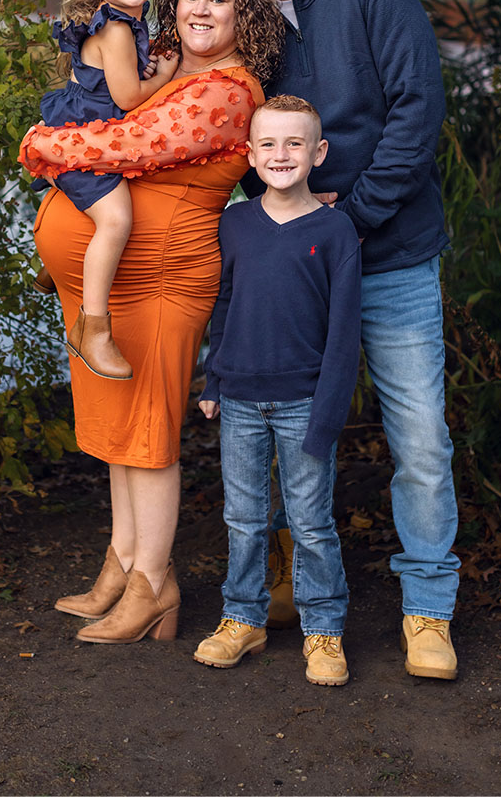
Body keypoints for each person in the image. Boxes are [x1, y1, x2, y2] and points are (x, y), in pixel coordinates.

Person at [220, 0, 460, 682]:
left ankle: (428, 611)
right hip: (294, 272)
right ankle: (285, 584)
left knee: (419, 438)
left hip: (388, 254)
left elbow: (415, 114)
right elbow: (234, 142)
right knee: (289, 426)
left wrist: (342, 225)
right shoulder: (244, 29)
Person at [19, 0, 285, 645]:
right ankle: (122, 561)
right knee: (117, 432)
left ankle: (154, 582)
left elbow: (130, 145)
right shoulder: (159, 58)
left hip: (163, 279)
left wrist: (41, 144)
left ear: (244, 12)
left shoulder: (230, 92)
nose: (201, 10)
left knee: (149, 435)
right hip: (109, 287)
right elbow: (105, 102)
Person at [194, 96, 362, 686]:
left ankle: (324, 628)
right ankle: (243, 618)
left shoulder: (336, 230)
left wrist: (327, 416)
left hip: (303, 403)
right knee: (243, 518)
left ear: (318, 153)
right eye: (267, 144)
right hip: (239, 398)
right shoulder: (234, 223)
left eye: (295, 144)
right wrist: (213, 379)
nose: (280, 154)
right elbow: (225, 305)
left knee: (311, 522)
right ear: (249, 154)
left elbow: (344, 334)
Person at [30, 0, 179, 381]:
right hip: (86, 140)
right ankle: (92, 329)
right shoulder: (115, 26)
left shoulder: (124, 18)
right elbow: (129, 96)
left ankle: (56, 268)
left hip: (94, 131)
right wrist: (167, 77)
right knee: (116, 220)